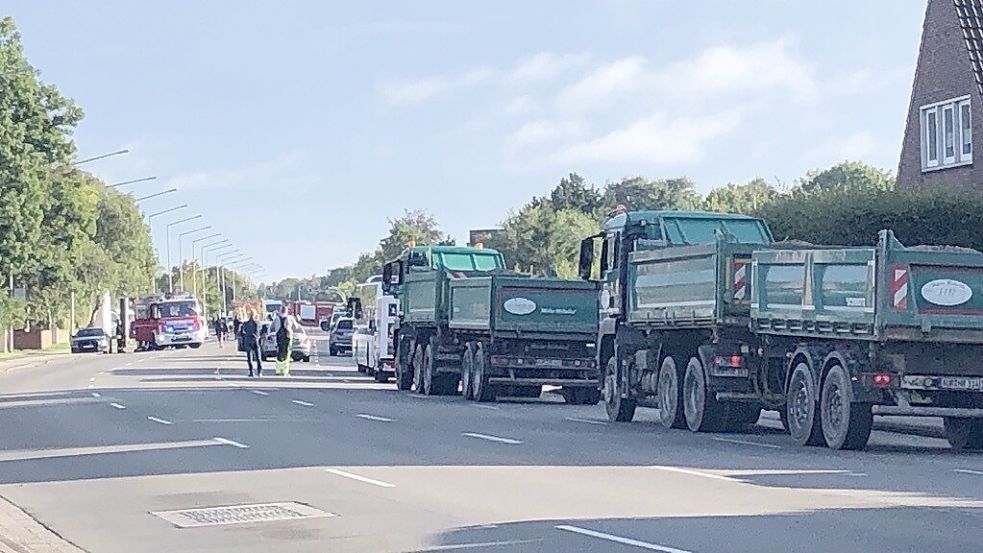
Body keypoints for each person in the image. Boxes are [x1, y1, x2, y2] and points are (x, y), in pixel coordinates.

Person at [267, 306, 302, 376]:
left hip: (279, 338)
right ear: (287, 311)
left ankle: (278, 370)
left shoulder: (276, 318)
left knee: (279, 354)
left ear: (280, 311)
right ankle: (285, 371)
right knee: (287, 354)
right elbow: (296, 327)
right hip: (288, 337)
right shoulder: (290, 318)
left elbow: (271, 327)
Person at [241, 312, 262, 377]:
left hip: (248, 340)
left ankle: (251, 372)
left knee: (249, 358)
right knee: (258, 357)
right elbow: (259, 331)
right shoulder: (257, 323)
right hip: (255, 340)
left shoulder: (246, 323)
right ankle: (259, 372)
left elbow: (242, 332)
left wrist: (245, 337)